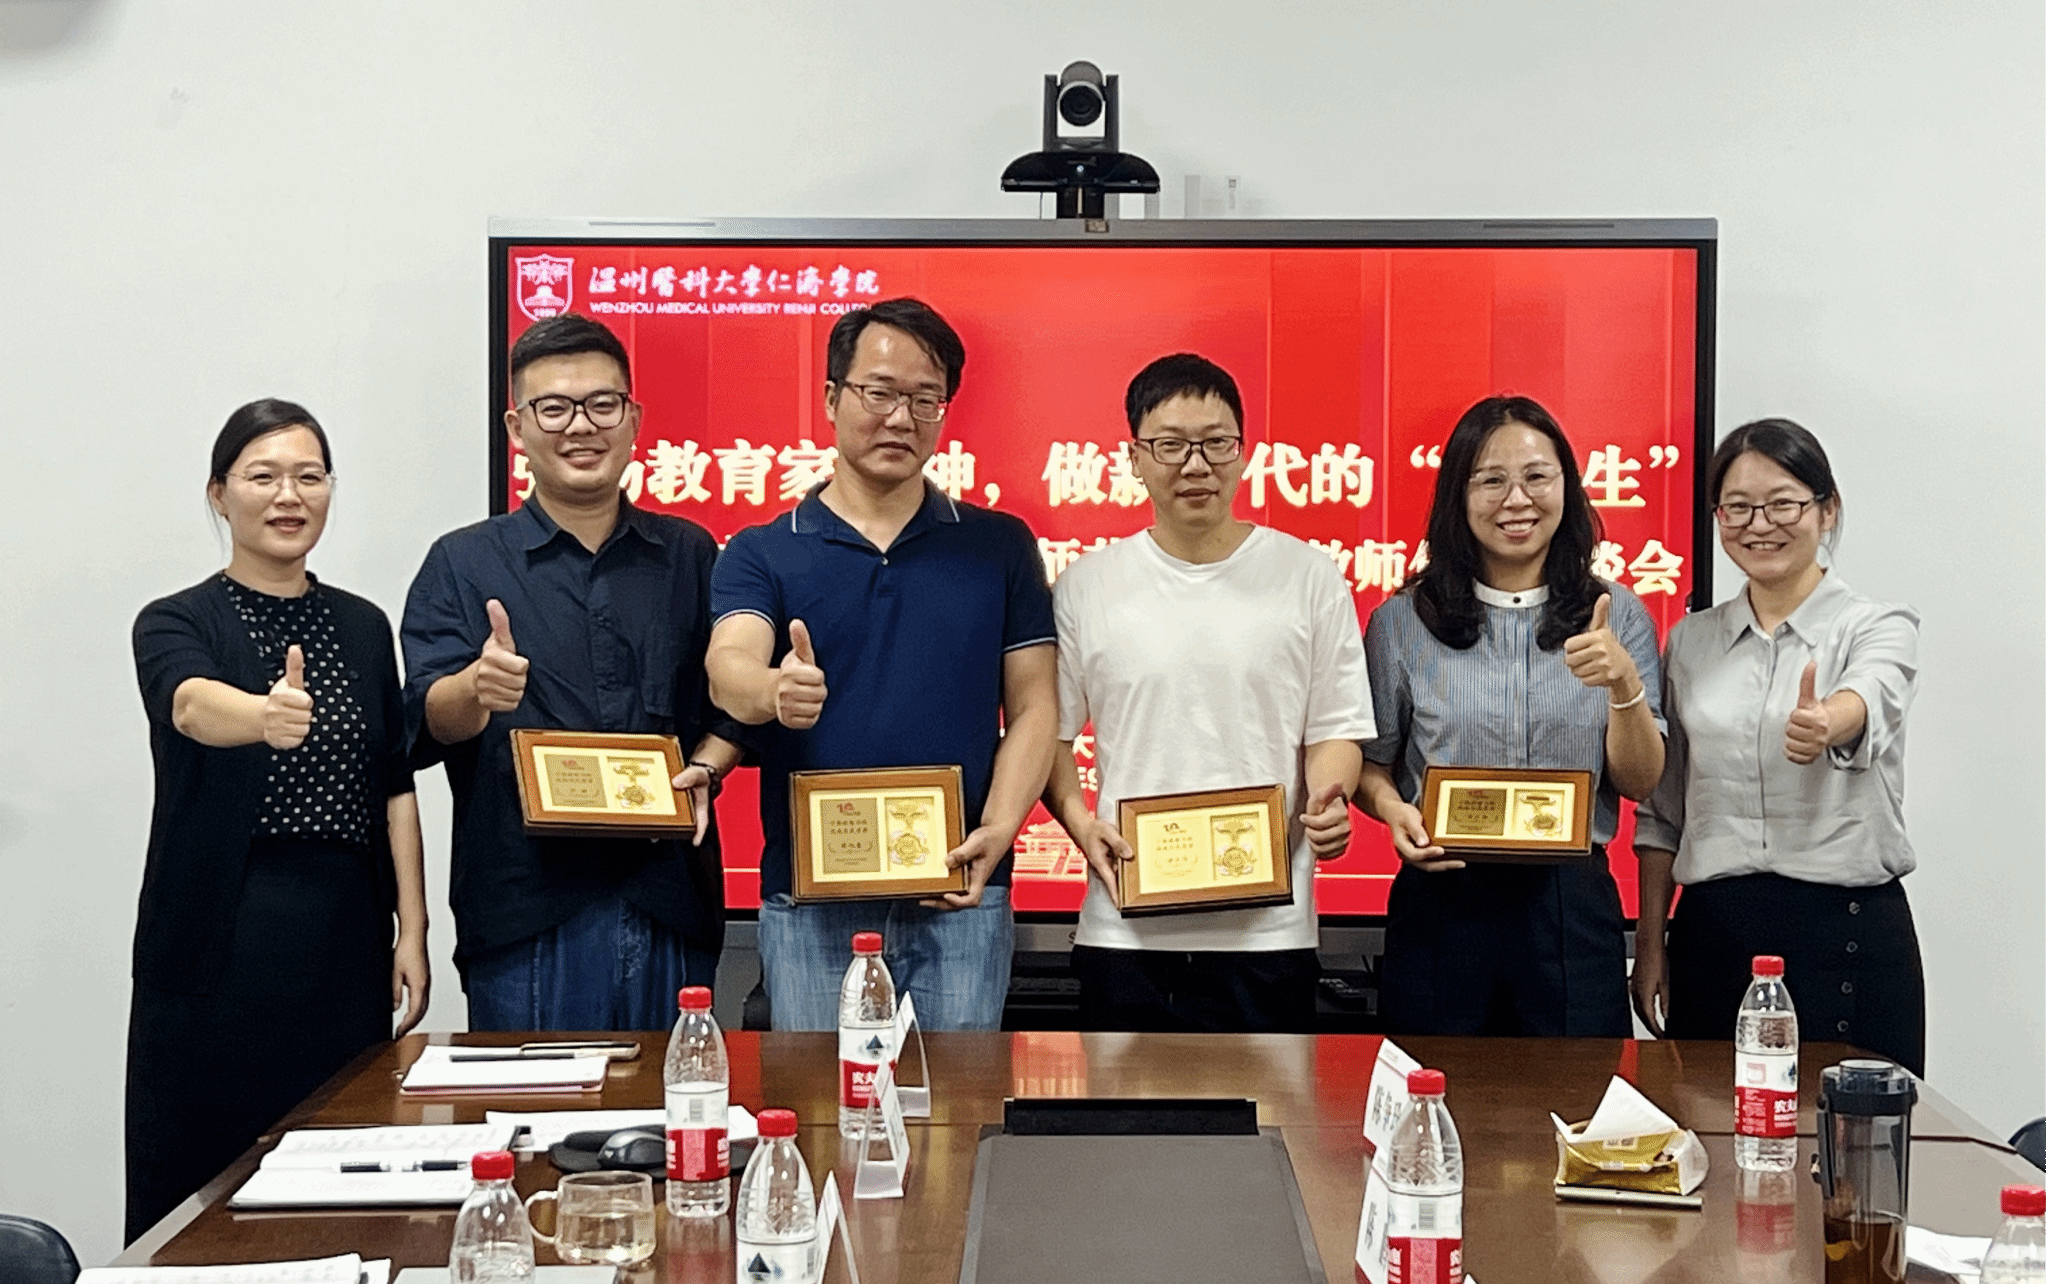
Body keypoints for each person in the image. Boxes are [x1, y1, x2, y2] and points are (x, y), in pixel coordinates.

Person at [707, 297, 1057, 1031]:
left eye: (926, 399)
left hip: (960, 891)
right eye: (880, 393)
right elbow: (728, 663)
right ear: (832, 397)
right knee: (820, 1098)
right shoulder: (764, 549)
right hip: (810, 901)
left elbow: (1034, 706)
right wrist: (773, 689)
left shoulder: (998, 545)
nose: (902, 418)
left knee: (959, 1100)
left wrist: (998, 831)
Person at [126, 399, 428, 1241]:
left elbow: (394, 785)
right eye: (263, 476)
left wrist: (412, 929)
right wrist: (264, 716)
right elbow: (189, 705)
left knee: (340, 1173)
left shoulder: (363, 626)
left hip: (342, 936)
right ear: (220, 495)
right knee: (202, 1183)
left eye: (309, 476)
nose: (289, 495)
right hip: (217, 939)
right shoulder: (174, 619)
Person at [401, 314, 741, 1030]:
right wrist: (475, 689)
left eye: (601, 405)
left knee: (673, 1101)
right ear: (517, 427)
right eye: (553, 408)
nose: (580, 426)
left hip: (667, 900)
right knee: (532, 1107)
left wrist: (707, 768)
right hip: (527, 909)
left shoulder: (690, 554)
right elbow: (426, 722)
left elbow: (730, 708)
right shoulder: (462, 562)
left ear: (633, 419)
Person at [1042, 353, 1375, 1032]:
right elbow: (1046, 735)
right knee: (1122, 1103)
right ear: (1134, 458)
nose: (1196, 465)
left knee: (1274, 1103)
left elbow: (1335, 728)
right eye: (1170, 445)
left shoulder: (1308, 576)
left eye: (1216, 443)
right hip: (1125, 927)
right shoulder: (1086, 586)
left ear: (1244, 452)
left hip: (1270, 931)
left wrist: (1329, 800)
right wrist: (1079, 823)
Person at [1352, 395, 1665, 1037]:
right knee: (1435, 1091)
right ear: (1458, 496)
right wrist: (1392, 810)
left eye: (1536, 477)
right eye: (1491, 480)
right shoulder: (1402, 621)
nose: (1516, 500)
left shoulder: (1617, 614)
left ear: (1567, 487)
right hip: (1443, 895)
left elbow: (1640, 781)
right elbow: (1370, 765)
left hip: (1570, 903)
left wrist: (1624, 684)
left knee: (1578, 1091)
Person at [1632, 419, 1925, 1073]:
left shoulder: (1877, 626)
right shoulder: (1690, 642)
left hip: (1845, 931)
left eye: (1783, 504)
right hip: (1714, 933)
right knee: (1708, 1126)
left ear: (1827, 509)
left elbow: (1870, 695)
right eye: (1737, 507)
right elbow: (1663, 814)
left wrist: (1827, 721)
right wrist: (1651, 941)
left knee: (1852, 1134)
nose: (1759, 524)